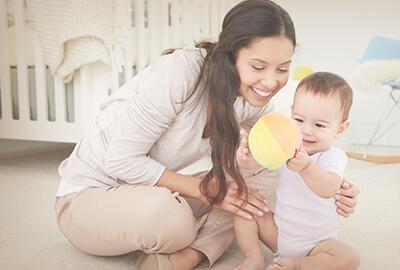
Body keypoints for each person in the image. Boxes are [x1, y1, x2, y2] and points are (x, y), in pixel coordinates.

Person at [54, 1, 359, 270]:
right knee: (172, 220)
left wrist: (337, 188)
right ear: (230, 56)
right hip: (90, 197)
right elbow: (120, 161)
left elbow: (287, 152)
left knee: (268, 181)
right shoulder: (180, 73)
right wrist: (208, 191)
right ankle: (190, 239)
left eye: (282, 69)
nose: (270, 81)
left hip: (151, 191)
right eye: (258, 66)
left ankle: (190, 255)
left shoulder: (251, 96)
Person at [233, 72, 359, 270]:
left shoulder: (334, 157)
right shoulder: (286, 146)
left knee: (348, 258)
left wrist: (307, 167)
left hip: (317, 245)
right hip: (279, 235)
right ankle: (253, 256)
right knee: (244, 207)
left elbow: (328, 188)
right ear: (291, 114)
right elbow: (254, 165)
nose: (306, 130)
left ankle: (299, 264)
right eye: (299, 120)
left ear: (340, 129)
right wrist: (245, 157)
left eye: (319, 125)